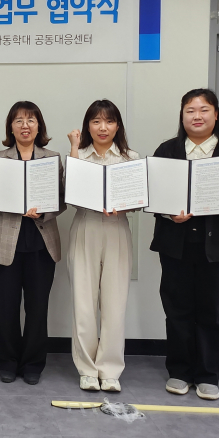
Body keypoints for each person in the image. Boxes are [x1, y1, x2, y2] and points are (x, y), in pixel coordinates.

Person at [150, 88, 219, 401]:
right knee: (177, 310)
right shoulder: (169, 149)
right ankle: (179, 371)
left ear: (216, 114)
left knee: (212, 312)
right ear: (182, 116)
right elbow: (153, 193)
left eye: (204, 110)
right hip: (177, 244)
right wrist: (168, 213)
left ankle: (207, 375)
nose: (197, 116)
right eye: (190, 110)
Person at [0, 101, 66, 385]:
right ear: (10, 127)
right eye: (19, 120)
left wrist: (44, 212)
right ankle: (7, 361)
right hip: (6, 243)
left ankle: (33, 363)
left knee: (37, 308)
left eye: (31, 120)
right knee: (6, 308)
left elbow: (62, 199)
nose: (25, 125)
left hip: (42, 244)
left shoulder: (52, 158)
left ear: (39, 126)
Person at [66, 99, 139, 393]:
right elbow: (70, 194)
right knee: (83, 304)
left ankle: (109, 370)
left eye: (109, 121)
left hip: (117, 228)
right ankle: (86, 369)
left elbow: (137, 199)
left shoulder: (130, 158)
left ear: (117, 126)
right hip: (86, 225)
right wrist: (74, 147)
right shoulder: (80, 155)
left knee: (114, 304)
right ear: (88, 126)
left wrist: (124, 204)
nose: (103, 127)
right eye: (96, 121)